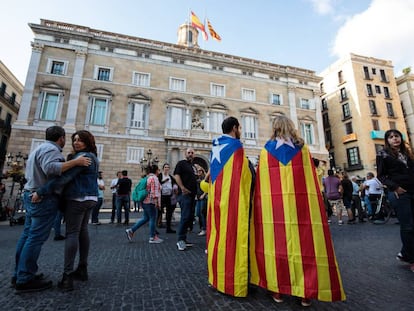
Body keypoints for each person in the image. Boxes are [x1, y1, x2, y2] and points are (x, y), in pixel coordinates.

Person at [250, 115, 346, 307]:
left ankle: (277, 290)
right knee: (305, 247)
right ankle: (305, 293)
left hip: (274, 210)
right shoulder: (302, 150)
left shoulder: (265, 152)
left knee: (276, 247)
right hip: (301, 208)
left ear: (274, 128)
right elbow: (311, 180)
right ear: (291, 127)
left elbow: (262, 185)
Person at [12, 126, 91, 293]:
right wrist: (75, 162)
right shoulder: (51, 149)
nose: (73, 142)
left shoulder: (39, 148)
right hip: (42, 197)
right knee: (35, 238)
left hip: (31, 193)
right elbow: (51, 168)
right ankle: (25, 277)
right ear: (61, 138)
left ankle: (19, 273)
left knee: (27, 235)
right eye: (70, 139)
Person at [32, 130, 99, 291]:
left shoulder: (83, 158)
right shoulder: (93, 157)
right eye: (74, 140)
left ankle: (67, 276)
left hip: (77, 198)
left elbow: (64, 178)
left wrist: (41, 191)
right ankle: (82, 268)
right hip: (91, 198)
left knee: (72, 233)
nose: (76, 142)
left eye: (80, 140)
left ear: (87, 142)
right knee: (83, 231)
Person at [206, 116, 253, 297]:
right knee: (233, 236)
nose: (240, 130)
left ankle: (216, 278)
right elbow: (244, 176)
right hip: (233, 200)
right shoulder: (236, 147)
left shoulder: (215, 146)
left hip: (216, 200)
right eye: (239, 127)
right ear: (234, 128)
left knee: (217, 236)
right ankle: (232, 283)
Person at [376, 129, 414, 273]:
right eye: (391, 137)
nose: (394, 139)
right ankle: (411, 259)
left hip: (412, 190)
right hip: (398, 192)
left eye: (396, 136)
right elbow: (381, 176)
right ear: (387, 140)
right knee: (408, 226)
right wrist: (395, 188)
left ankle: (405, 253)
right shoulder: (383, 154)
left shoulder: (408, 153)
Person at [125, 164, 163, 244]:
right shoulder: (154, 178)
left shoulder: (148, 178)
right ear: (156, 170)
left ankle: (131, 230)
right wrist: (156, 202)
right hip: (151, 202)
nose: (159, 171)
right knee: (153, 219)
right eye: (158, 170)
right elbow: (154, 191)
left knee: (146, 218)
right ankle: (152, 237)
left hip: (145, 201)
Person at [174, 148, 197, 251]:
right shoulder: (181, 163)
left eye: (192, 153)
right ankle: (180, 240)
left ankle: (183, 238)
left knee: (189, 217)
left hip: (192, 195)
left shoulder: (192, 166)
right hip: (184, 194)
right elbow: (176, 175)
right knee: (185, 216)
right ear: (185, 154)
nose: (191, 154)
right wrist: (182, 187)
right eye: (189, 152)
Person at [158, 163, 177, 233]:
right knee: (159, 211)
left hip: (169, 196)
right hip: (161, 196)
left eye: (168, 167)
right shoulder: (160, 175)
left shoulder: (170, 177)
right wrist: (164, 181)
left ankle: (168, 227)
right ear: (163, 168)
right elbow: (158, 183)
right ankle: (157, 225)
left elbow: (175, 183)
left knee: (169, 212)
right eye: (165, 167)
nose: (167, 168)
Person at [195, 166, 207, 236]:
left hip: (204, 197)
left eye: (200, 171)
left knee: (202, 213)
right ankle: (202, 227)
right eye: (198, 171)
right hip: (198, 197)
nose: (199, 172)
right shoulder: (197, 179)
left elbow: (207, 186)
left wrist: (204, 194)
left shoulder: (205, 178)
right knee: (198, 213)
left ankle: (204, 228)